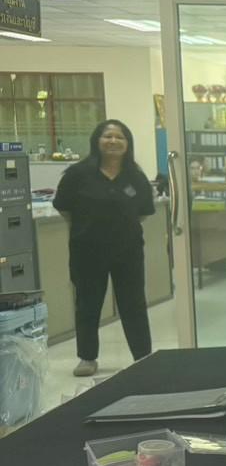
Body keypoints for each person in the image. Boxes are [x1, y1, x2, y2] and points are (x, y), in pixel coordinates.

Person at [52, 119, 156, 376]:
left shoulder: (136, 177)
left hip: (128, 250)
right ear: (96, 141)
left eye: (119, 137)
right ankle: (87, 358)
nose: (113, 141)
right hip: (87, 250)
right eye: (107, 136)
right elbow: (64, 207)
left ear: (127, 144)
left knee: (134, 304)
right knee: (88, 304)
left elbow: (143, 212)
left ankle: (143, 356)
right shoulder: (78, 174)